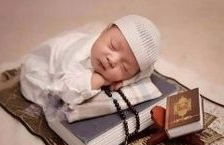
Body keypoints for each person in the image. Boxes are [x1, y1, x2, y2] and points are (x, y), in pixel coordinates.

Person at [20, 15, 160, 110]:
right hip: (40, 69)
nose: (112, 60)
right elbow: (67, 94)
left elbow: (147, 69)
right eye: (113, 46)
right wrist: (98, 80)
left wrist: (125, 81)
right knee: (50, 98)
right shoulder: (75, 58)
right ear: (103, 32)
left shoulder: (106, 51)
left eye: (124, 67)